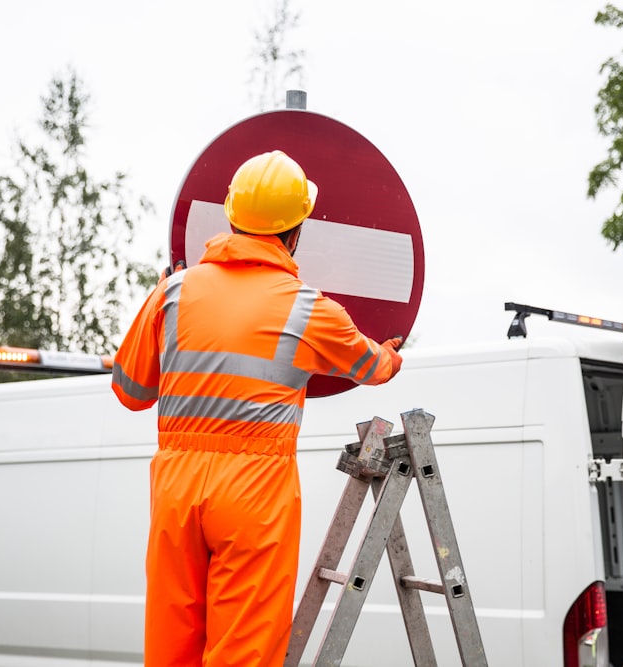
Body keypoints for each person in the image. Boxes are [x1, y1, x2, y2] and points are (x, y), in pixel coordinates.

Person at [111, 149, 403, 667]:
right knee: (243, 652)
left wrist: (160, 299)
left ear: (232, 217)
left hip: (176, 487)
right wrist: (391, 353)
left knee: (171, 646)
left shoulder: (173, 293)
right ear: (296, 232)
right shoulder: (308, 308)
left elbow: (130, 393)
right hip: (254, 491)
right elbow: (372, 368)